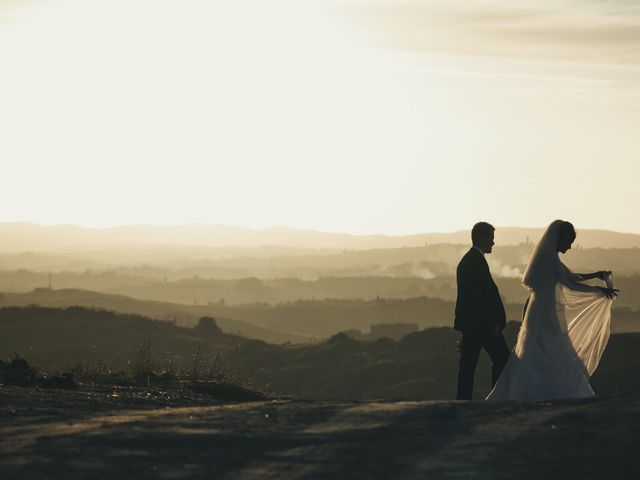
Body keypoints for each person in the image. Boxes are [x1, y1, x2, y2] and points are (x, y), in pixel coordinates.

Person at [486, 220, 618, 401]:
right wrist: (599, 290)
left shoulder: (549, 257)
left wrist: (595, 276)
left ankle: (532, 390)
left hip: (541, 309)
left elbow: (569, 277)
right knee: (548, 348)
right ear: (560, 238)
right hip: (543, 312)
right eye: (569, 241)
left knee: (540, 349)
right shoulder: (550, 258)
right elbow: (570, 281)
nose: (570, 246)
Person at [454, 222, 510, 400]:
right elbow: (482, 297)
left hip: (474, 325)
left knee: (468, 366)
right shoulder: (475, 262)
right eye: (491, 239)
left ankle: (464, 401)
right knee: (501, 360)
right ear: (482, 238)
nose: (493, 243)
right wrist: (494, 323)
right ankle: (497, 397)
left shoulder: (470, 260)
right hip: (482, 326)